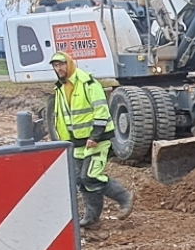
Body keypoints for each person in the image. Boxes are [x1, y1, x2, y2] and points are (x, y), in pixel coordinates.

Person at [50, 51, 133, 228]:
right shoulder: (60, 88)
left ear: (69, 64)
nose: (59, 69)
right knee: (80, 180)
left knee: (90, 176)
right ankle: (92, 218)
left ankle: (124, 197)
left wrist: (95, 135)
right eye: (56, 66)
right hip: (77, 142)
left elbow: (101, 111)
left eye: (61, 64)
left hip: (97, 139)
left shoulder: (88, 83)